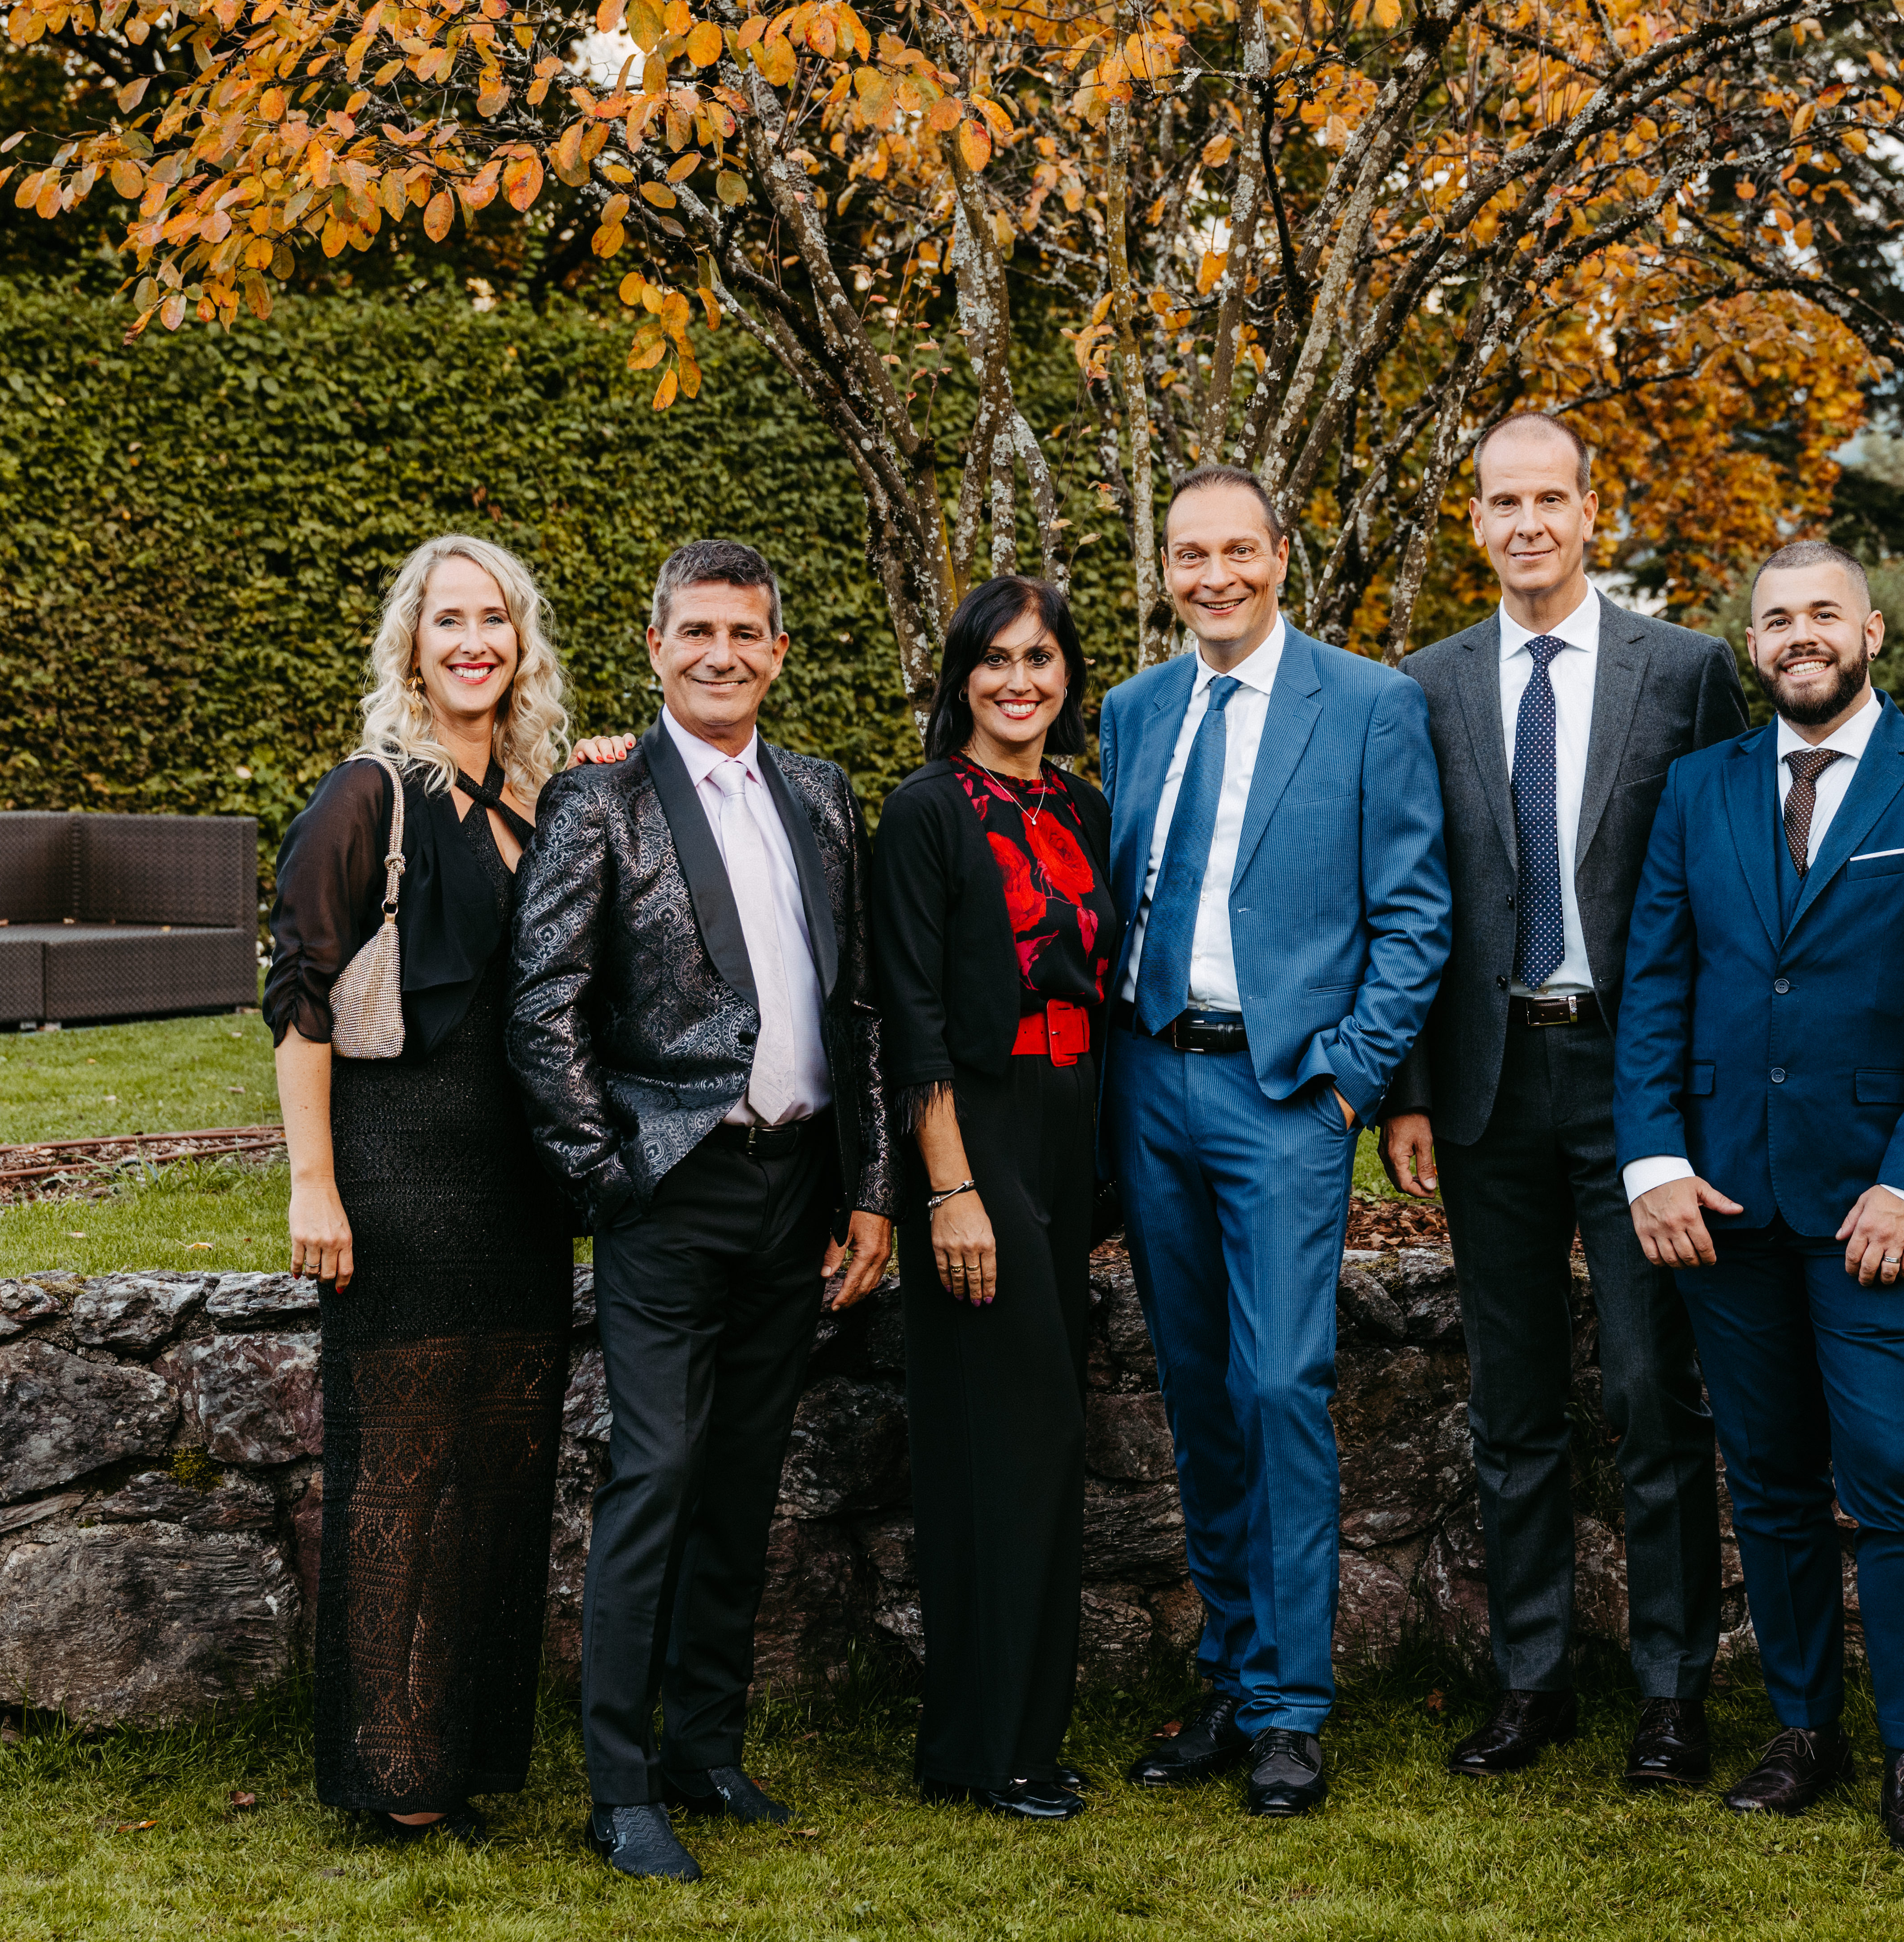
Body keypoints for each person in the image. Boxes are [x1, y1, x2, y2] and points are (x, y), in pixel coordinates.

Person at [1615, 538, 1904, 1861]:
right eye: (1777, 617)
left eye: (1823, 615)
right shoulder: (1697, 790)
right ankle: (1804, 1729)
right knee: (1774, 1480)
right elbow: (1657, 985)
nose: (1801, 634)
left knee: (1897, 1480)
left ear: (1874, 631)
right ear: (1755, 640)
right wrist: (1654, 1160)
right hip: (1722, 1199)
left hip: (1877, 1210)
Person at [507, 538, 895, 1883]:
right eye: (697, 634)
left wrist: (872, 1188)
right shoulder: (597, 801)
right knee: (656, 1474)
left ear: (779, 652)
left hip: (798, 1192)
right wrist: (607, 1175)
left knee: (742, 1480)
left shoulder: (826, 795)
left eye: (746, 633)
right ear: (658, 647)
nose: (721, 654)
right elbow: (541, 1007)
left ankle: (706, 1751)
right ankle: (619, 1789)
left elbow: (860, 1010)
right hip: (667, 1188)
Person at [1378, 413, 1745, 1787]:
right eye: (1500, 501)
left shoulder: (1688, 674)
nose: (1527, 522)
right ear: (1474, 521)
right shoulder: (1421, 686)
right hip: (1484, 1085)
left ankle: (1671, 1691)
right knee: (1513, 1400)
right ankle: (1529, 1682)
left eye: (1551, 498)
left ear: (1595, 510)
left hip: (1634, 1077)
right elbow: (1411, 904)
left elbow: (1723, 884)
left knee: (1656, 1393)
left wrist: (1695, 1094)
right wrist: (1409, 1090)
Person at [1102, 464, 1451, 1817]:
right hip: (1150, 1086)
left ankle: (1296, 1711)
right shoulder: (1135, 712)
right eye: (1192, 556)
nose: (1215, 577)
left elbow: (1416, 913)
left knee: (1281, 1389)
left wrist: (1349, 1080)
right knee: (1197, 1394)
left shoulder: (1368, 703)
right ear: (1170, 569)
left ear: (1281, 555)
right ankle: (1233, 1677)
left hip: (1284, 1095)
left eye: (1238, 551)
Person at [264, 533, 576, 1846]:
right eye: (448, 619)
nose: (472, 642)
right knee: (396, 1475)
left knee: (500, 1476)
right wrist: (314, 1185)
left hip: (521, 1185)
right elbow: (298, 1001)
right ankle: (388, 1771)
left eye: (493, 620)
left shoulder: (538, 803)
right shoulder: (367, 794)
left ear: (520, 646)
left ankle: (465, 1756)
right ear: (411, 644)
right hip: (397, 1170)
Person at [872, 576, 1117, 1822]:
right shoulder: (922, 815)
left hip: (1070, 1139)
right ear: (960, 674)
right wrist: (951, 1188)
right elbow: (909, 1020)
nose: (1020, 681)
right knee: (1012, 1441)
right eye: (995, 660)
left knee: (1042, 1437)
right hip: (976, 1138)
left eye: (1042, 658)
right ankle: (982, 1743)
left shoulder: (1083, 805)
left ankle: (1024, 1735)